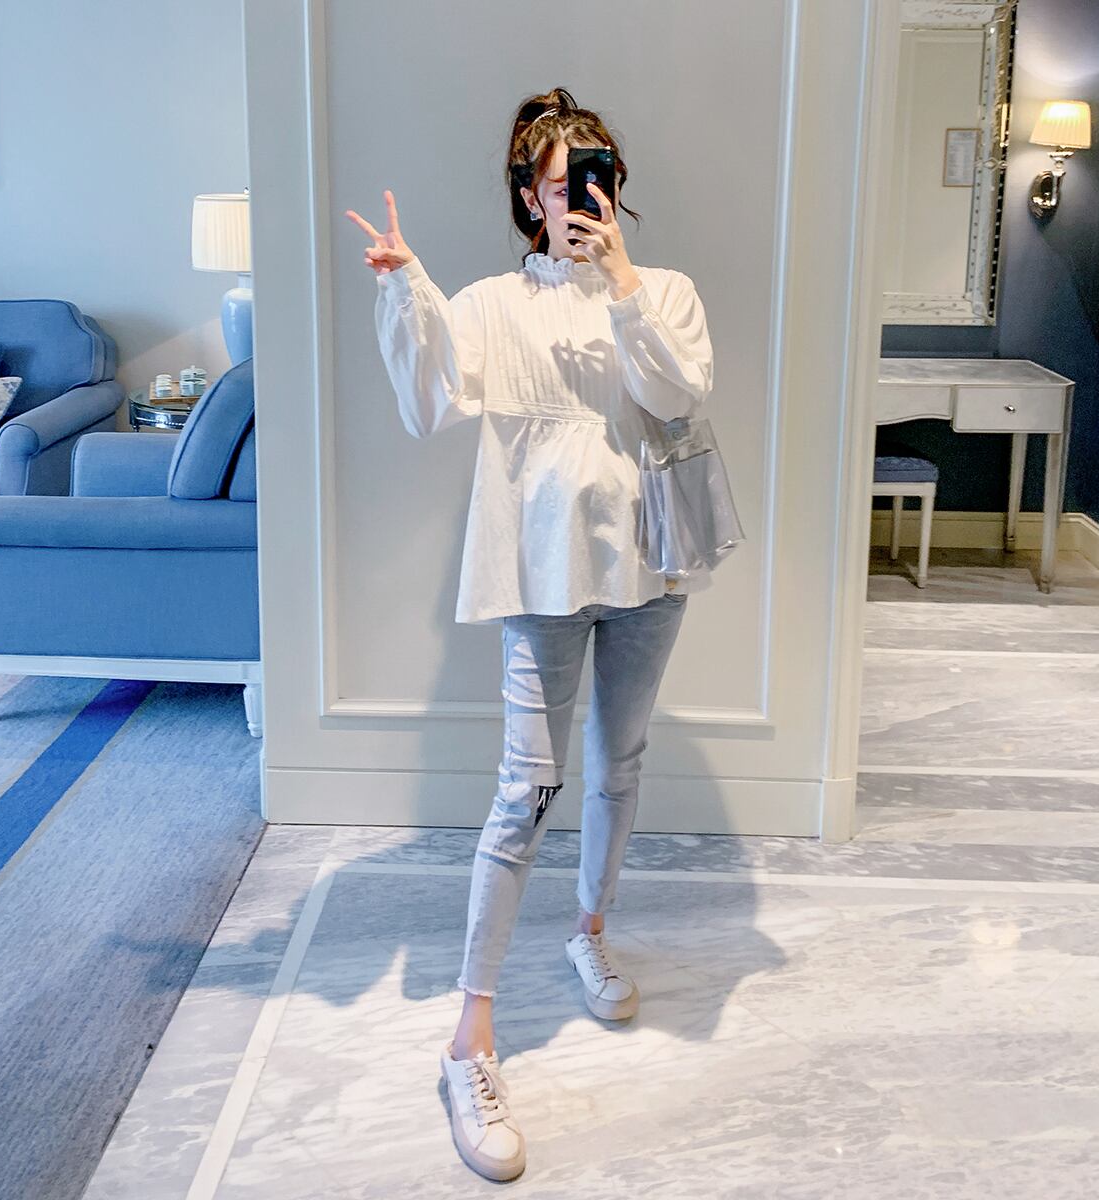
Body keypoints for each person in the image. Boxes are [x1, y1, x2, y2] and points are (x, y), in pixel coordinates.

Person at [345, 87, 714, 1182]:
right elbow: (429, 401)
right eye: (560, 184)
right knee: (526, 790)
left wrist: (624, 284)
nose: (580, 199)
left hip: (648, 565)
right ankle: (469, 1040)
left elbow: (680, 393)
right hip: (540, 576)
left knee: (619, 763)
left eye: (596, 176)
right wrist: (405, 286)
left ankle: (588, 931)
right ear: (529, 197)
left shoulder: (664, 291)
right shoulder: (492, 305)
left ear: (615, 183)